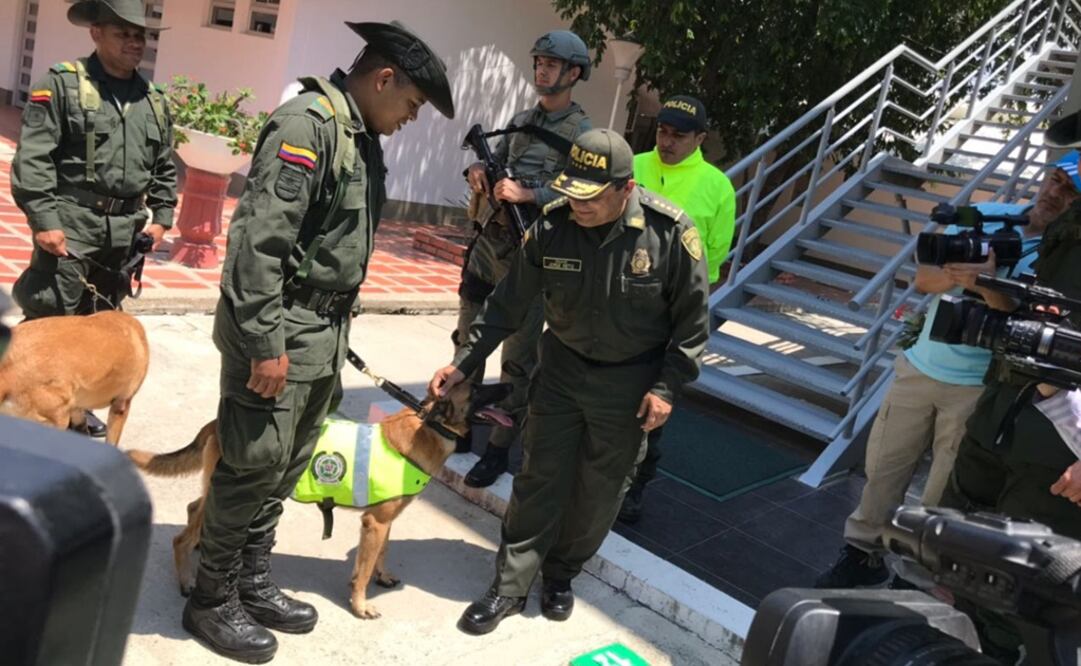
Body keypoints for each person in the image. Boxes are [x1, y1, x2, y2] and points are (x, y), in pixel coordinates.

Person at [182, 21, 454, 663]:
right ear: (384, 79)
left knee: (284, 464)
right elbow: (258, 245)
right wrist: (264, 344)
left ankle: (250, 578)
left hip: (322, 336)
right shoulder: (309, 125)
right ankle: (211, 597)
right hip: (279, 334)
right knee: (248, 466)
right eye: (412, 105)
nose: (411, 118)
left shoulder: (360, 138)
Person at [429, 128, 710, 635]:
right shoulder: (552, 227)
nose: (576, 204)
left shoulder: (670, 235)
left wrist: (666, 389)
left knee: (600, 491)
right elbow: (506, 306)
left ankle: (560, 574)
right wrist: (464, 364)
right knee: (538, 480)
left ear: (625, 189)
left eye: (590, 196)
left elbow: (692, 327)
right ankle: (510, 587)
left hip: (629, 384)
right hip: (560, 370)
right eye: (571, 191)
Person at [814, 151, 1079, 589]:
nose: (1054, 193)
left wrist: (987, 284)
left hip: (977, 386)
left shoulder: (1060, 260)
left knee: (942, 493)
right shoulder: (985, 216)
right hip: (922, 365)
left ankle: (914, 574)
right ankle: (861, 554)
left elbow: (1020, 319)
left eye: (1069, 191)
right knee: (884, 470)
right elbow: (925, 278)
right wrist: (962, 276)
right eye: (1054, 180)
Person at [938, 118, 1081, 662]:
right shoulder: (1070, 226)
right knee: (967, 556)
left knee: (1025, 598)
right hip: (1005, 416)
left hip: (1060, 453)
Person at [9, 0, 177, 437]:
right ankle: (26, 405)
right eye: (123, 32)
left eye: (140, 35)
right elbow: (34, 158)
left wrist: (161, 214)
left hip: (123, 231)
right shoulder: (63, 85)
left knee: (102, 323)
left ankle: (78, 408)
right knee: (50, 318)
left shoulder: (153, 101)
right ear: (96, 33)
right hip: (71, 223)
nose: (135, 42)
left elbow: (164, 166)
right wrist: (44, 217)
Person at [456, 30, 593, 488]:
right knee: (467, 341)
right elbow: (492, 160)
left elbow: (585, 191)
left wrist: (531, 193)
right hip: (488, 246)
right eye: (539, 62)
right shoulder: (520, 118)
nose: (542, 70)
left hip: (532, 259)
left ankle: (496, 449)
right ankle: (455, 424)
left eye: (552, 64)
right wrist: (476, 171)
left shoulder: (584, 134)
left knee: (517, 360)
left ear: (574, 73)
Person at [619, 94, 736, 522]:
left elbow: (714, 261)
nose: (667, 142)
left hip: (668, 314)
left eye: (679, 136)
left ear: (701, 138)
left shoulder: (716, 187)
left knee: (652, 402)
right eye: (663, 132)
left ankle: (634, 486)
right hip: (616, 301)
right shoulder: (633, 164)